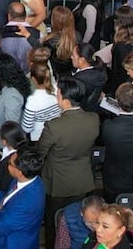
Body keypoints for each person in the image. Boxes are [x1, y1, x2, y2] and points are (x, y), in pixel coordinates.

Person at [38, 77, 100, 248]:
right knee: (81, 220)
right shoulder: (93, 119)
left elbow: (40, 153)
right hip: (83, 179)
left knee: (54, 222)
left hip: (57, 183)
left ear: (65, 99)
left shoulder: (54, 126)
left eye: (58, 94)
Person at [0, 143, 46, 249]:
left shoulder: (26, 204)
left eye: (10, 163)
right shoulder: (31, 180)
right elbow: (8, 198)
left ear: (19, 172)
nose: (7, 163)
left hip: (12, 244)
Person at [0, 53, 31, 167]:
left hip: (0, 133)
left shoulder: (12, 96)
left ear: (1, 72)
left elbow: (11, 122)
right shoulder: (4, 82)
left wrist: (1, 136)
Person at [21, 62, 61, 142]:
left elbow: (27, 128)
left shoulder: (32, 101)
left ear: (33, 79)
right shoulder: (58, 90)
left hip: (39, 138)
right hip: (58, 134)